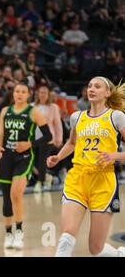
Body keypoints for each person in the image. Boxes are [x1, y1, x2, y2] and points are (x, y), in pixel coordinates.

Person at [47, 77, 125, 257]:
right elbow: (72, 144)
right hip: (78, 178)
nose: (92, 89)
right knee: (66, 237)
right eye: (90, 86)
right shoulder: (77, 117)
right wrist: (57, 157)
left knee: (96, 248)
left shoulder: (117, 117)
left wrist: (114, 155)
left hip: (103, 181)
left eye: (97, 86)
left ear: (107, 93)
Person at [0, 82, 52, 250]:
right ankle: (8, 233)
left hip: (24, 157)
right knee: (6, 197)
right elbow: (0, 134)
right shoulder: (5, 111)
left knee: (16, 194)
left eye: (23, 92)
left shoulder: (34, 112)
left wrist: (29, 144)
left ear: (28, 94)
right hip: (6, 157)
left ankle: (19, 231)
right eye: (17, 91)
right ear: (13, 94)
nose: (19, 94)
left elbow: (48, 136)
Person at [33, 85, 63, 192]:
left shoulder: (53, 107)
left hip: (48, 138)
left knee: (42, 161)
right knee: (35, 162)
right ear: (37, 94)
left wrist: (59, 138)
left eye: (45, 93)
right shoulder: (32, 106)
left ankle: (41, 182)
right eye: (41, 92)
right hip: (34, 137)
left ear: (48, 95)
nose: (42, 95)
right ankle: (47, 177)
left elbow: (57, 124)